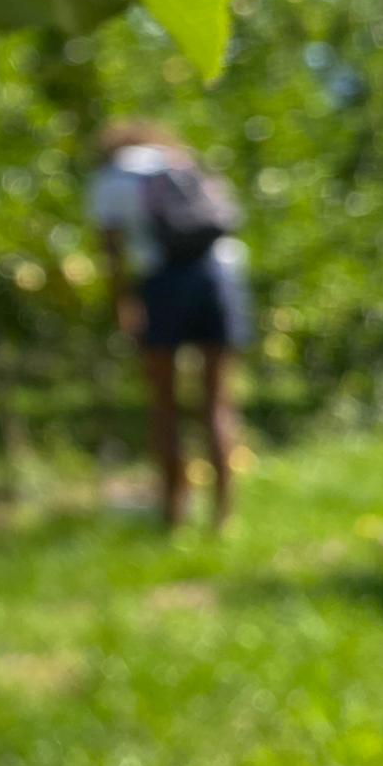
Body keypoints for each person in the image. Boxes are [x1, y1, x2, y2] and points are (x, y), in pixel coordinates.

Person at [89, 119, 251, 531]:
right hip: (221, 276)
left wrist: (123, 303)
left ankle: (174, 512)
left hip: (162, 281)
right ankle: (224, 516)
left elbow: (112, 250)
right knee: (217, 401)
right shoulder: (184, 162)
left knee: (164, 404)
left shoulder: (112, 177)